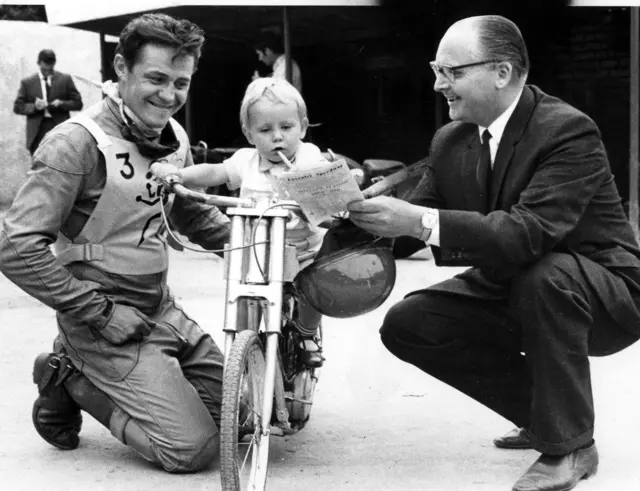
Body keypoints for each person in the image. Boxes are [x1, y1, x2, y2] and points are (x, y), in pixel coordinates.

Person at [347, 14, 640, 491]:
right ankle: (551, 419)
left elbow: (527, 234)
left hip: (604, 293)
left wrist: (414, 220)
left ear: (502, 72)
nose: (439, 84)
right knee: (411, 324)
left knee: (547, 274)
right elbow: (412, 221)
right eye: (435, 70)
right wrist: (339, 213)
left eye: (452, 71)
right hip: (518, 281)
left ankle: (571, 447)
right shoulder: (452, 138)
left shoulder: (568, 131)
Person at [0, 13, 232, 473]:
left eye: (181, 83)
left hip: (159, 309)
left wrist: (264, 246)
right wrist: (99, 313)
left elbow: (189, 213)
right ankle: (67, 378)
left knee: (244, 420)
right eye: (156, 78)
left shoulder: (174, 138)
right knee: (192, 450)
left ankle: (145, 379)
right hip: (103, 318)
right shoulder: (74, 144)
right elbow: (15, 247)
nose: (169, 96)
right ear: (121, 69)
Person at [152, 76, 325, 367]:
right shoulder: (246, 161)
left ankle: (307, 334)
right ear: (249, 134)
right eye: (265, 130)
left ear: (303, 128)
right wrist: (180, 174)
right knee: (244, 299)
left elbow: (329, 190)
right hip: (255, 251)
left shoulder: (309, 157)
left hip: (301, 250)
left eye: (286, 127)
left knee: (314, 287)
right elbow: (215, 173)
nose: (277, 137)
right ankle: (245, 345)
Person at [13, 49, 83, 162]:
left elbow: (78, 104)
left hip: (60, 129)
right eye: (45, 69)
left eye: (50, 69)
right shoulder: (27, 82)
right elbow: (18, 107)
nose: (47, 72)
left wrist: (62, 103)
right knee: (39, 167)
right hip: (37, 132)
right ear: (39, 63)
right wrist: (34, 106)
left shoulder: (65, 79)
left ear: (54, 64)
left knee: (61, 165)